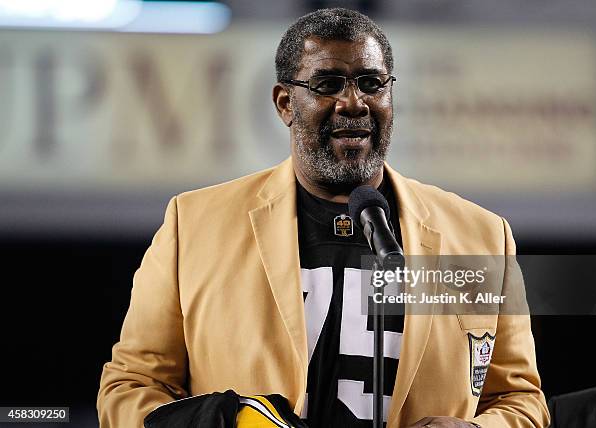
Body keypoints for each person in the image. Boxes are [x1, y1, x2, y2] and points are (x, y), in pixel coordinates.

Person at [98, 8, 550, 428]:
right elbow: (129, 390)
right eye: (327, 84)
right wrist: (225, 421)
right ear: (284, 103)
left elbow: (522, 401)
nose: (353, 102)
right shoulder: (194, 225)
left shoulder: (478, 236)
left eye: (371, 83)